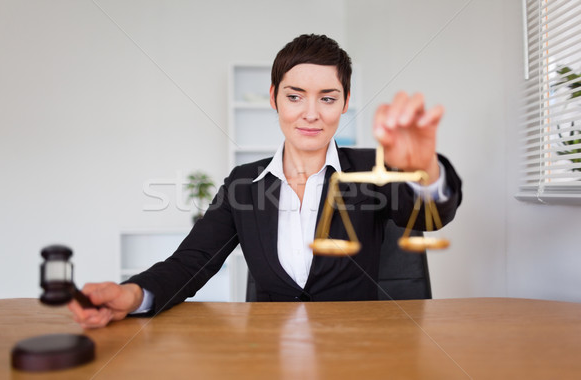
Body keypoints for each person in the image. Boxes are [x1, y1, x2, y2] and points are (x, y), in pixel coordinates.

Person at [68, 34, 462, 328]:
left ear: (344, 102)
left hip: (356, 351)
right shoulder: (245, 184)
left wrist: (425, 167)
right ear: (274, 98)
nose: (311, 113)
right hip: (269, 353)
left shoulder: (373, 168)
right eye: (295, 96)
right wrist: (132, 294)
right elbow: (193, 261)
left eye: (327, 98)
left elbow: (428, 215)